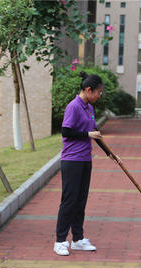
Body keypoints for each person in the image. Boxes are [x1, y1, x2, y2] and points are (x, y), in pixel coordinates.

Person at [54, 71, 107, 256]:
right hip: (72, 160)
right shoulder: (74, 107)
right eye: (98, 92)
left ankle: (77, 239)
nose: (100, 96)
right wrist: (87, 135)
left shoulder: (89, 108)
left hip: (85, 160)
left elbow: (95, 131)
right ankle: (60, 241)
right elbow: (66, 132)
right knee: (69, 201)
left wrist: (110, 154)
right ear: (88, 89)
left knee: (81, 201)